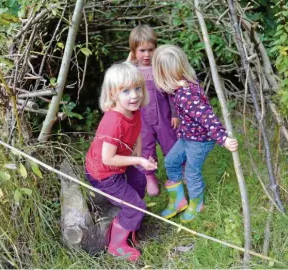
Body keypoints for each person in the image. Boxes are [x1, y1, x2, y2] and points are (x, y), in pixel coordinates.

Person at [152, 45, 239, 223]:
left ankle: (197, 204)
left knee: (192, 172)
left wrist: (223, 138)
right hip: (187, 136)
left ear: (164, 75)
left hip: (200, 141)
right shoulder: (182, 87)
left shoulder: (186, 95)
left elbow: (207, 117)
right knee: (171, 161)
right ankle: (178, 200)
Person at [85, 62, 157, 262]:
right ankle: (116, 245)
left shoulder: (134, 111)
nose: (134, 95)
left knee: (140, 182)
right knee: (135, 206)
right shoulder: (113, 122)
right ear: (113, 94)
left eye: (137, 89)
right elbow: (108, 159)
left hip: (120, 164)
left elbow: (138, 134)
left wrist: (139, 157)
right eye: (125, 91)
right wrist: (138, 159)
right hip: (103, 174)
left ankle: (131, 221)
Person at [128, 25, 179, 197]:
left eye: (151, 50)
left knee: (171, 144)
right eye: (142, 50)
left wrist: (175, 113)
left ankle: (178, 172)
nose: (147, 55)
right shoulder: (131, 71)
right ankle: (149, 177)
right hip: (142, 120)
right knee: (145, 148)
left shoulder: (161, 67)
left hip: (164, 117)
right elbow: (120, 87)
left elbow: (172, 92)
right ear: (133, 51)